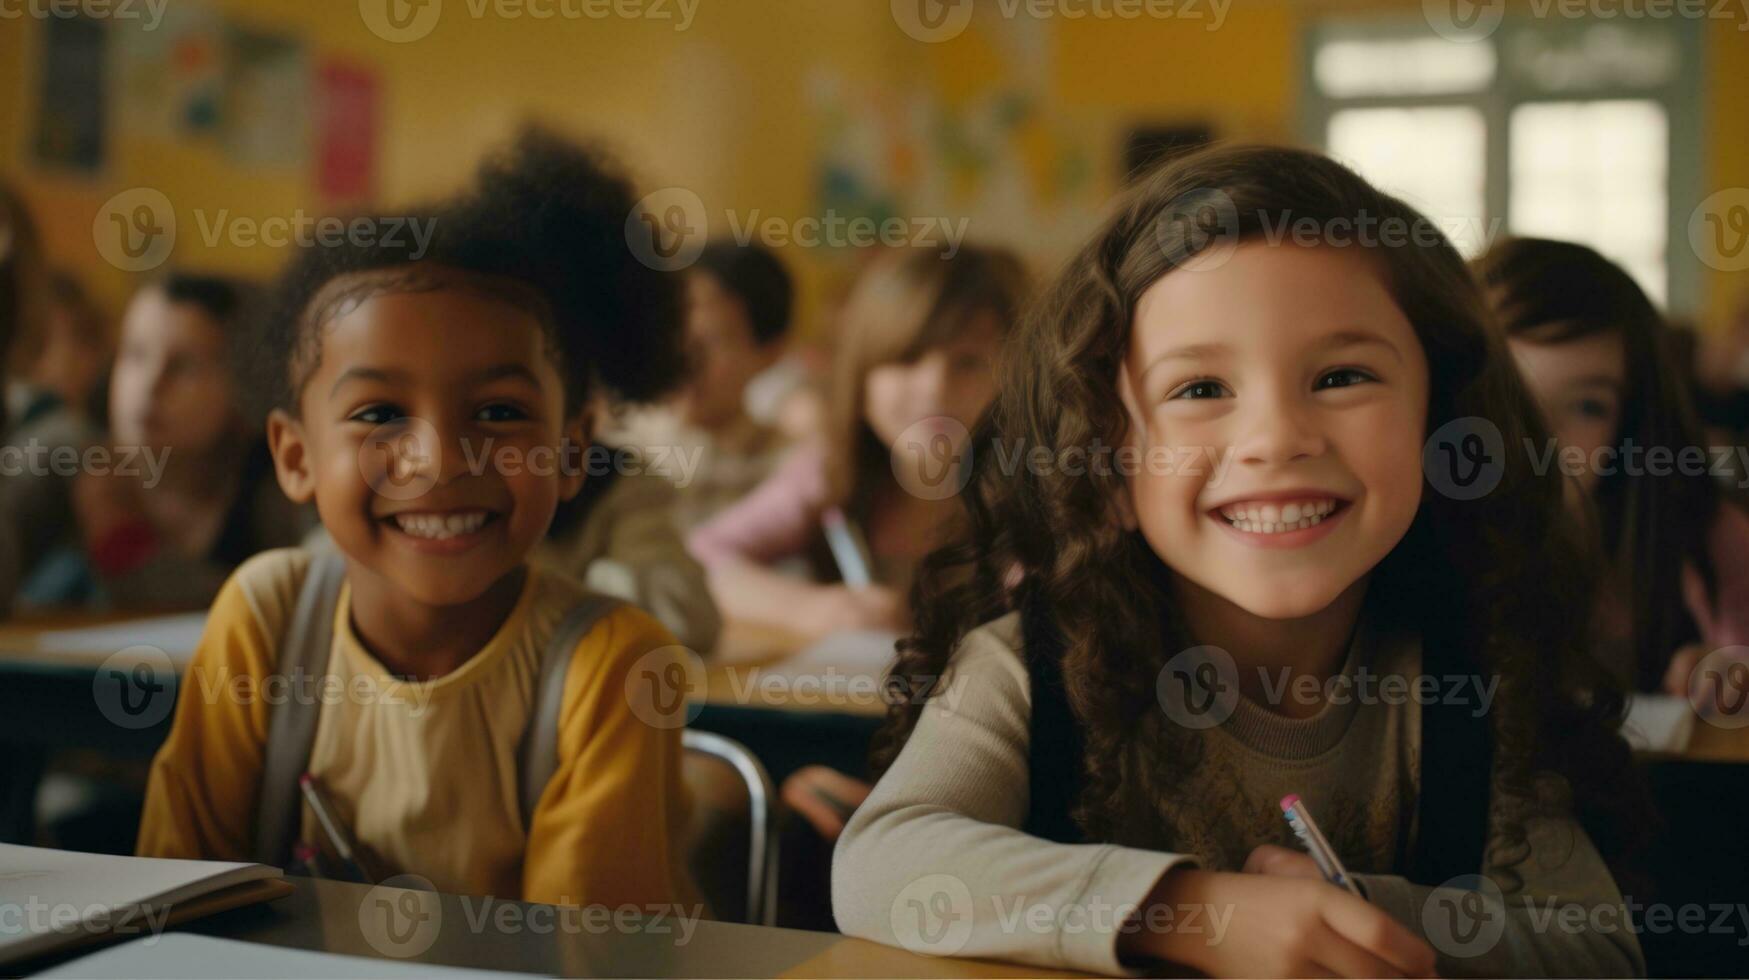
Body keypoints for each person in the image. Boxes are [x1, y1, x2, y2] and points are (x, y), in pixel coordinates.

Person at [833, 146, 1648, 976]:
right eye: (1198, 390)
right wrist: (1198, 914)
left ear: (1442, 431)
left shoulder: (1479, 674)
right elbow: (880, 863)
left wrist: (1350, 917)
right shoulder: (1029, 666)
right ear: (1106, 464)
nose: (1274, 440)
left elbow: (1600, 953)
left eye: (1340, 376)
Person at [137, 128, 697, 907]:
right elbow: (171, 909)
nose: (437, 459)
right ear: (295, 457)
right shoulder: (265, 619)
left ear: (573, 453)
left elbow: (583, 959)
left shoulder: (608, 666)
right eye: (379, 411)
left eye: (498, 411)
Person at [688, 246, 1027, 641]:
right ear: (860, 374)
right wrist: (812, 608)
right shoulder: (829, 470)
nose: (933, 388)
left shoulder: (1041, 497)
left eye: (968, 362)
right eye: (906, 358)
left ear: (1020, 378)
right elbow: (700, 558)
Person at [1477, 238, 1749, 697]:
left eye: (1586, 406)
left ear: (1631, 426)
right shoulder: (1398, 548)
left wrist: (1730, 675)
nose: (1538, 435)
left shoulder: (1706, 539)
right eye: (1507, 395)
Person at [12, 274, 310, 609]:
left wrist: (122, 542)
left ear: (246, 389)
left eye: (184, 366)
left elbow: (278, 613)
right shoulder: (62, 456)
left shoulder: (282, 487)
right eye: (136, 354)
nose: (150, 385)